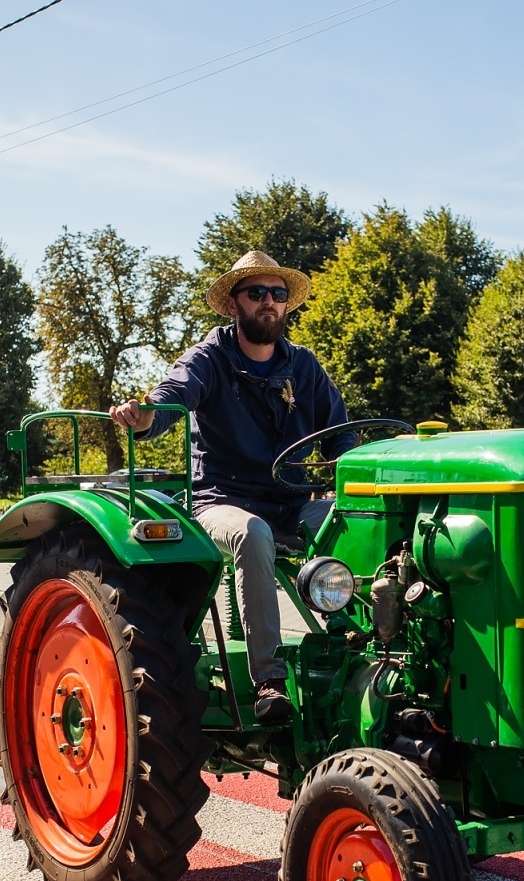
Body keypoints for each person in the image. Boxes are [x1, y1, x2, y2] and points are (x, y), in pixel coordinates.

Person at [110, 251, 351, 725]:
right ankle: (269, 680)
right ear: (235, 303)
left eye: (278, 295)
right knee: (252, 534)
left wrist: (349, 462)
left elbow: (341, 431)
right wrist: (144, 416)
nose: (269, 302)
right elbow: (169, 398)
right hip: (222, 500)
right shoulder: (210, 358)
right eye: (257, 293)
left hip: (292, 501)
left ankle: (351, 646)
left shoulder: (303, 366)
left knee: (354, 520)